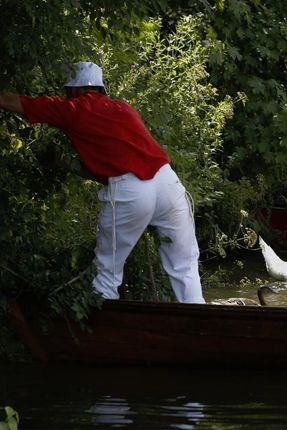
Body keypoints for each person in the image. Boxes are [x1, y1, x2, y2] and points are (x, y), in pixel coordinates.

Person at [0, 61, 204, 303]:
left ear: (74, 90)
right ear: (100, 88)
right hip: (168, 182)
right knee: (185, 265)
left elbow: (17, 103)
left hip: (132, 188)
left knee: (108, 270)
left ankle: (102, 328)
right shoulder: (124, 108)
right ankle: (201, 323)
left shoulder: (73, 110)